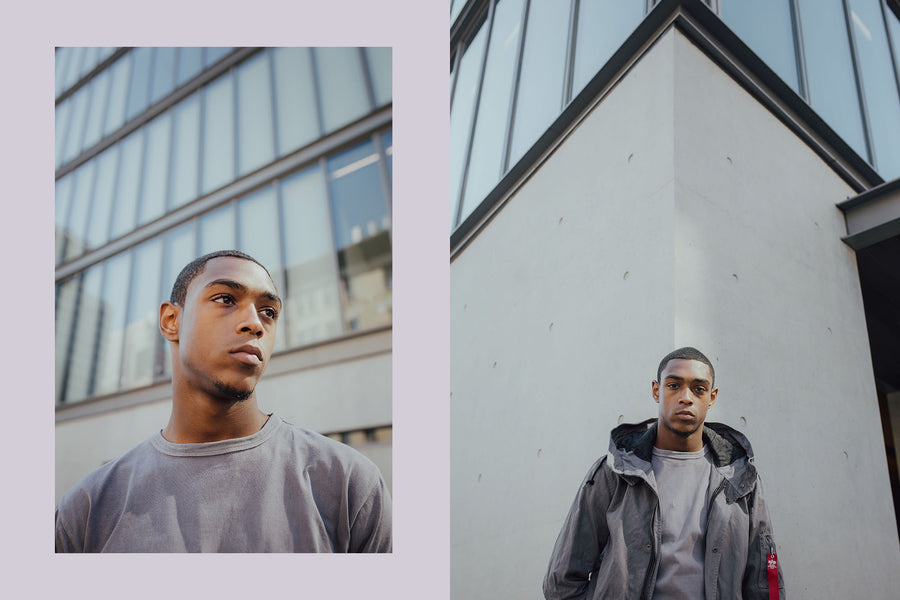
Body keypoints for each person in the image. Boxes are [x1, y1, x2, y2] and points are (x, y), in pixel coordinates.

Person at [55, 250, 392, 553]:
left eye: (269, 312)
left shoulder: (348, 483)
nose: (255, 323)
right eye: (225, 299)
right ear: (171, 321)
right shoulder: (86, 510)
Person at [543, 347, 785, 599]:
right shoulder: (615, 472)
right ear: (657, 390)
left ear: (711, 397)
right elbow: (563, 580)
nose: (686, 397)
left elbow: (766, 577)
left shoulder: (741, 478)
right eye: (674, 385)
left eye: (698, 389)